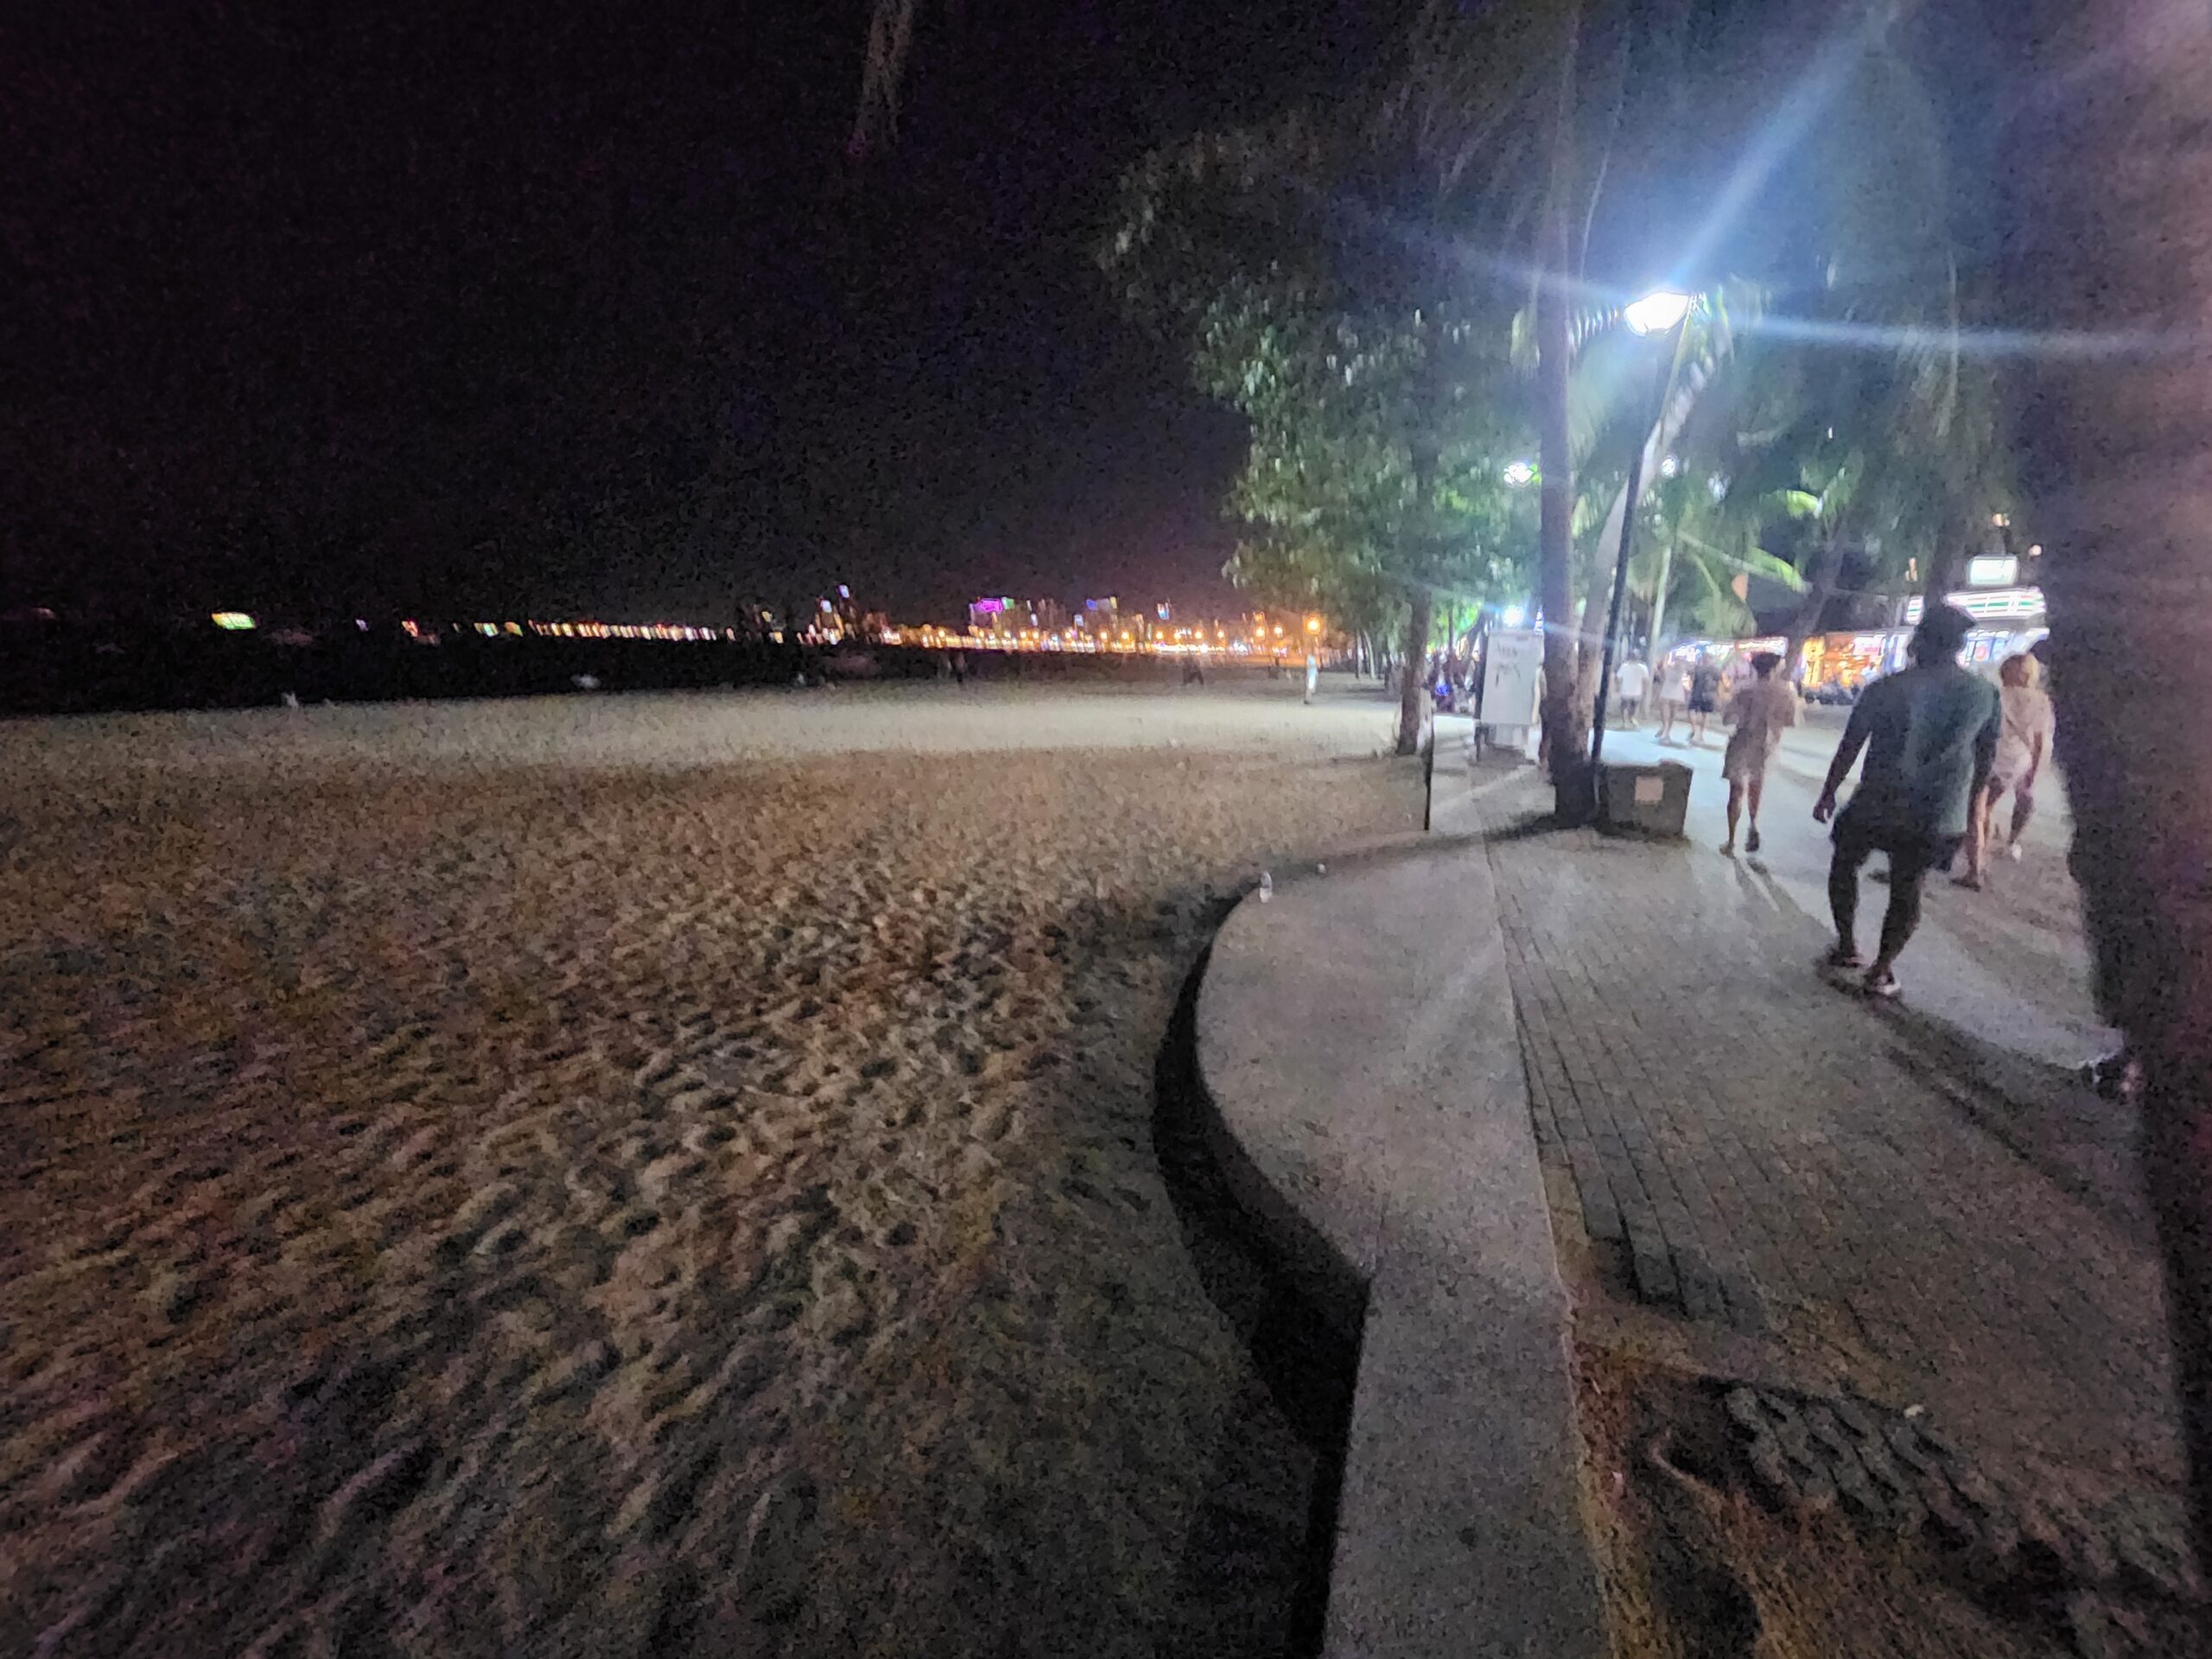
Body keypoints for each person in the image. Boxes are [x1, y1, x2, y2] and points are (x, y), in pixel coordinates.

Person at [1813, 605, 2000, 999]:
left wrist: (1828, 792)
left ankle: (1847, 945)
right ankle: (1881, 970)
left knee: (1844, 863)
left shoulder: (1886, 688)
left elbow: (1851, 745)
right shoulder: (1984, 695)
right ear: (1959, 646)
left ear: (1919, 642)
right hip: (1938, 812)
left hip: (1876, 803)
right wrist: (1973, 813)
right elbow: (1985, 761)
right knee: (1908, 887)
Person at [1955, 652, 2054, 889]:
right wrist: (2033, 771)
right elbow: (2040, 741)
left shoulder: (1997, 695)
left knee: (1978, 811)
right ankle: (1992, 852)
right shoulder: (2041, 701)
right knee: (1988, 808)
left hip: (1993, 757)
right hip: (2020, 761)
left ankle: (1976, 868)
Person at [1719, 652, 1797, 855]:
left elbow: (1727, 718)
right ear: (1774, 669)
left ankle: (1731, 840)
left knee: (1736, 791)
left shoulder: (1744, 689)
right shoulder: (1785, 692)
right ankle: (1753, 825)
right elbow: (1789, 721)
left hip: (1742, 741)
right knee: (1756, 786)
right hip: (1766, 744)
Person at [1687, 658, 1722, 745]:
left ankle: (1694, 729)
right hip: (1708, 694)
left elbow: (1691, 676)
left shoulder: (1698, 668)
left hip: (1697, 693)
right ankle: (1701, 734)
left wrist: (1690, 689)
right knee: (1704, 715)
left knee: (1691, 711)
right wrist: (1718, 695)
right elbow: (1719, 682)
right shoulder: (1714, 670)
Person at [1656, 660, 1690, 744]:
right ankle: (1665, 729)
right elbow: (1661, 678)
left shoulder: (1682, 670)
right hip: (1667, 692)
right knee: (1665, 714)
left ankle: (1667, 731)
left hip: (1676, 693)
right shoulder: (1667, 668)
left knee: (1672, 714)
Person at [1615, 656, 1651, 728]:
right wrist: (1645, 689)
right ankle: (1631, 718)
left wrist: (1618, 687)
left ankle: (1625, 721)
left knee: (1624, 707)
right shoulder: (1642, 667)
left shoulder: (1624, 666)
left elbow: (1618, 678)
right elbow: (1646, 680)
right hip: (1636, 691)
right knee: (1633, 706)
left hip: (1626, 690)